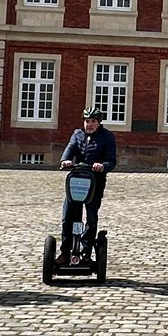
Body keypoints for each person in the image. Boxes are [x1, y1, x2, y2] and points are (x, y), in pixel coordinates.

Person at [59, 106, 118, 249]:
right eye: (86, 121)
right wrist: (65, 160)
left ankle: (86, 249)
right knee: (67, 217)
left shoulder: (107, 137)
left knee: (91, 217)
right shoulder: (77, 134)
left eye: (92, 121)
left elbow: (111, 161)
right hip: (77, 181)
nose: (89, 124)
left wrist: (102, 166)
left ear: (98, 122)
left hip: (95, 182)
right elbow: (70, 149)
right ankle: (65, 251)